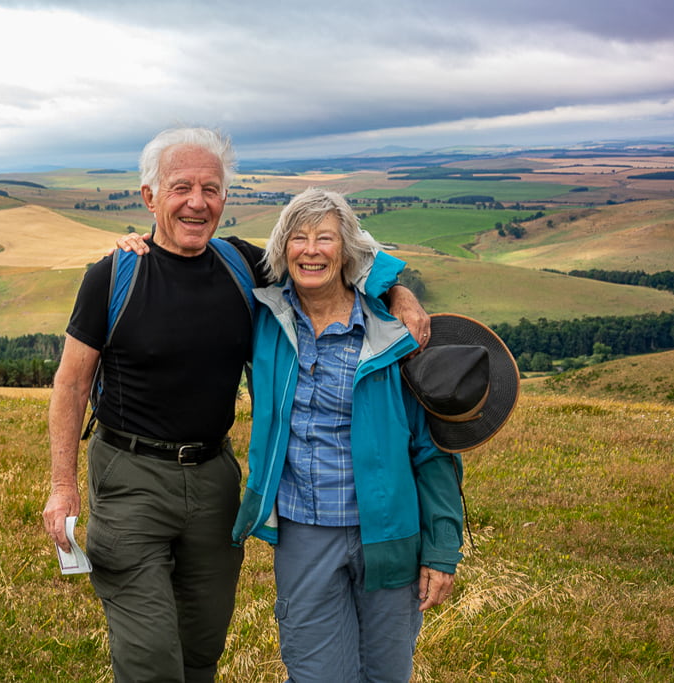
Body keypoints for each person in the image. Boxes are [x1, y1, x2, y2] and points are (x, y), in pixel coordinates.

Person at [42, 127, 430, 682]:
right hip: (130, 480)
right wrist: (63, 486)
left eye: (212, 188)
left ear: (225, 198)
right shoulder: (112, 275)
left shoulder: (241, 266)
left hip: (214, 482)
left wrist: (400, 293)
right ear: (150, 197)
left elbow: (337, 259)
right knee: (152, 658)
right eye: (181, 188)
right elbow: (71, 384)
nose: (197, 202)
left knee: (202, 648)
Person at [231, 188, 465, 683]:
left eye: (325, 238)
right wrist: (134, 245)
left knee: (385, 674)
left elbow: (431, 449)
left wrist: (442, 549)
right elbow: (193, 254)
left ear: (348, 253)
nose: (310, 250)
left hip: (389, 533)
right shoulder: (266, 319)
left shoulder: (390, 333)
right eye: (298, 238)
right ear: (282, 249)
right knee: (315, 674)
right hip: (303, 533)